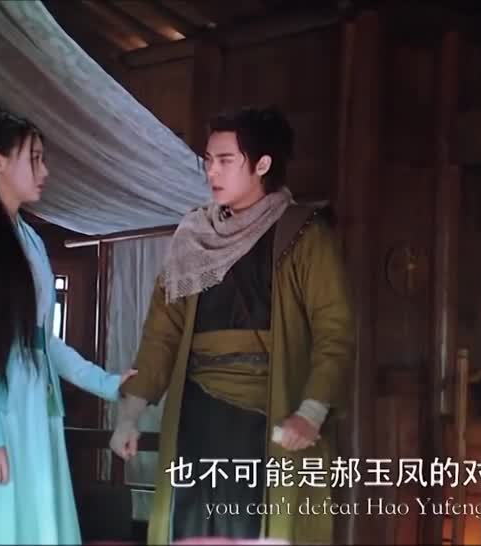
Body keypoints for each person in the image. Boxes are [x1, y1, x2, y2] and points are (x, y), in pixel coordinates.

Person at [108, 106, 355, 544]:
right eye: (208, 160)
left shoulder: (303, 234)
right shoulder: (193, 236)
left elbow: (334, 331)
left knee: (254, 530)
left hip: (269, 414)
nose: (212, 172)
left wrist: (311, 412)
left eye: (225, 160)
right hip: (197, 413)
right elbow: (161, 334)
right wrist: (130, 415)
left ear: (262, 164)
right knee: (189, 528)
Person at [0, 103, 129, 544]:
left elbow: (41, 342)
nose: (44, 170)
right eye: (34, 158)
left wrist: (109, 384)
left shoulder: (30, 241)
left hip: (32, 405)